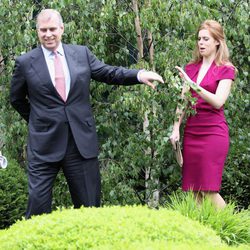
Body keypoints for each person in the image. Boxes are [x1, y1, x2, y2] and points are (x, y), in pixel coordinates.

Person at [10, 9, 164, 218]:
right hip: (44, 145)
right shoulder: (25, 62)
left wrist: (138, 74)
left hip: (80, 144)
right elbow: (16, 99)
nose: (48, 34)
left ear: (62, 29)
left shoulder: (81, 54)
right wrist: (37, 121)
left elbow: (108, 73)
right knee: (37, 206)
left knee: (89, 209)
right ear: (37, 31)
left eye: (52, 29)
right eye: (43, 30)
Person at [170, 20, 235, 209]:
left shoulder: (226, 69)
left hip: (214, 133)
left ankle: (234, 231)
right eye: (199, 39)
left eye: (206, 39)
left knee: (208, 190)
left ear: (217, 41)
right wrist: (175, 129)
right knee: (194, 191)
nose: (201, 43)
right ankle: (204, 235)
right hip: (192, 133)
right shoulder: (191, 68)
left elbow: (218, 101)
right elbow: (183, 101)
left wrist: (193, 85)